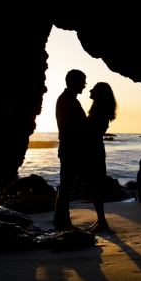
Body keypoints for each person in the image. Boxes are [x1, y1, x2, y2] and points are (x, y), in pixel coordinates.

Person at [53, 69, 87, 230]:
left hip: (72, 149)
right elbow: (67, 127)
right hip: (70, 149)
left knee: (68, 186)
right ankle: (62, 221)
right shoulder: (66, 100)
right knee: (66, 186)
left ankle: (61, 220)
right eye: (82, 82)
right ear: (72, 82)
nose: (84, 86)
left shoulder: (72, 100)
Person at [84, 82, 117, 232]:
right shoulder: (102, 111)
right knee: (94, 185)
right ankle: (101, 219)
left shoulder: (99, 112)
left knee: (93, 185)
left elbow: (90, 132)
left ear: (100, 94)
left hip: (92, 150)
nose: (90, 90)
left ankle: (102, 220)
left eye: (94, 89)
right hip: (96, 148)